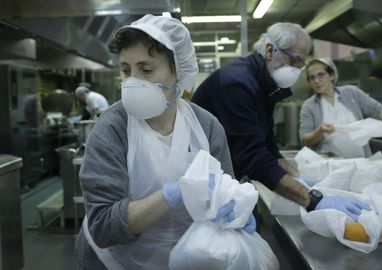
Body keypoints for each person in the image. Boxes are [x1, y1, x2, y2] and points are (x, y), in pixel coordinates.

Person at [74, 15, 255, 270]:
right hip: (114, 262)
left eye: (146, 70)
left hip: (187, 258)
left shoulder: (206, 127)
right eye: (126, 70)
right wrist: (173, 194)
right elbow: (103, 226)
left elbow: (225, 192)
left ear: (178, 72)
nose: (133, 81)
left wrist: (235, 208)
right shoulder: (112, 127)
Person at [192, 23, 370, 222]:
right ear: (270, 51)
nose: (297, 70)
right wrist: (312, 200)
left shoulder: (263, 84)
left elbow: (267, 143)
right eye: (294, 61)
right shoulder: (237, 84)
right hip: (202, 183)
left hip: (225, 176)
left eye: (300, 66)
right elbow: (254, 157)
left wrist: (297, 179)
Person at [299, 58, 382, 158]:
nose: (317, 81)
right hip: (331, 165)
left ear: (332, 75)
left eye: (321, 75)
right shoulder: (309, 106)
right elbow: (306, 140)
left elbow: (377, 109)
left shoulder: (352, 93)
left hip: (362, 162)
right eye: (312, 78)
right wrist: (320, 130)